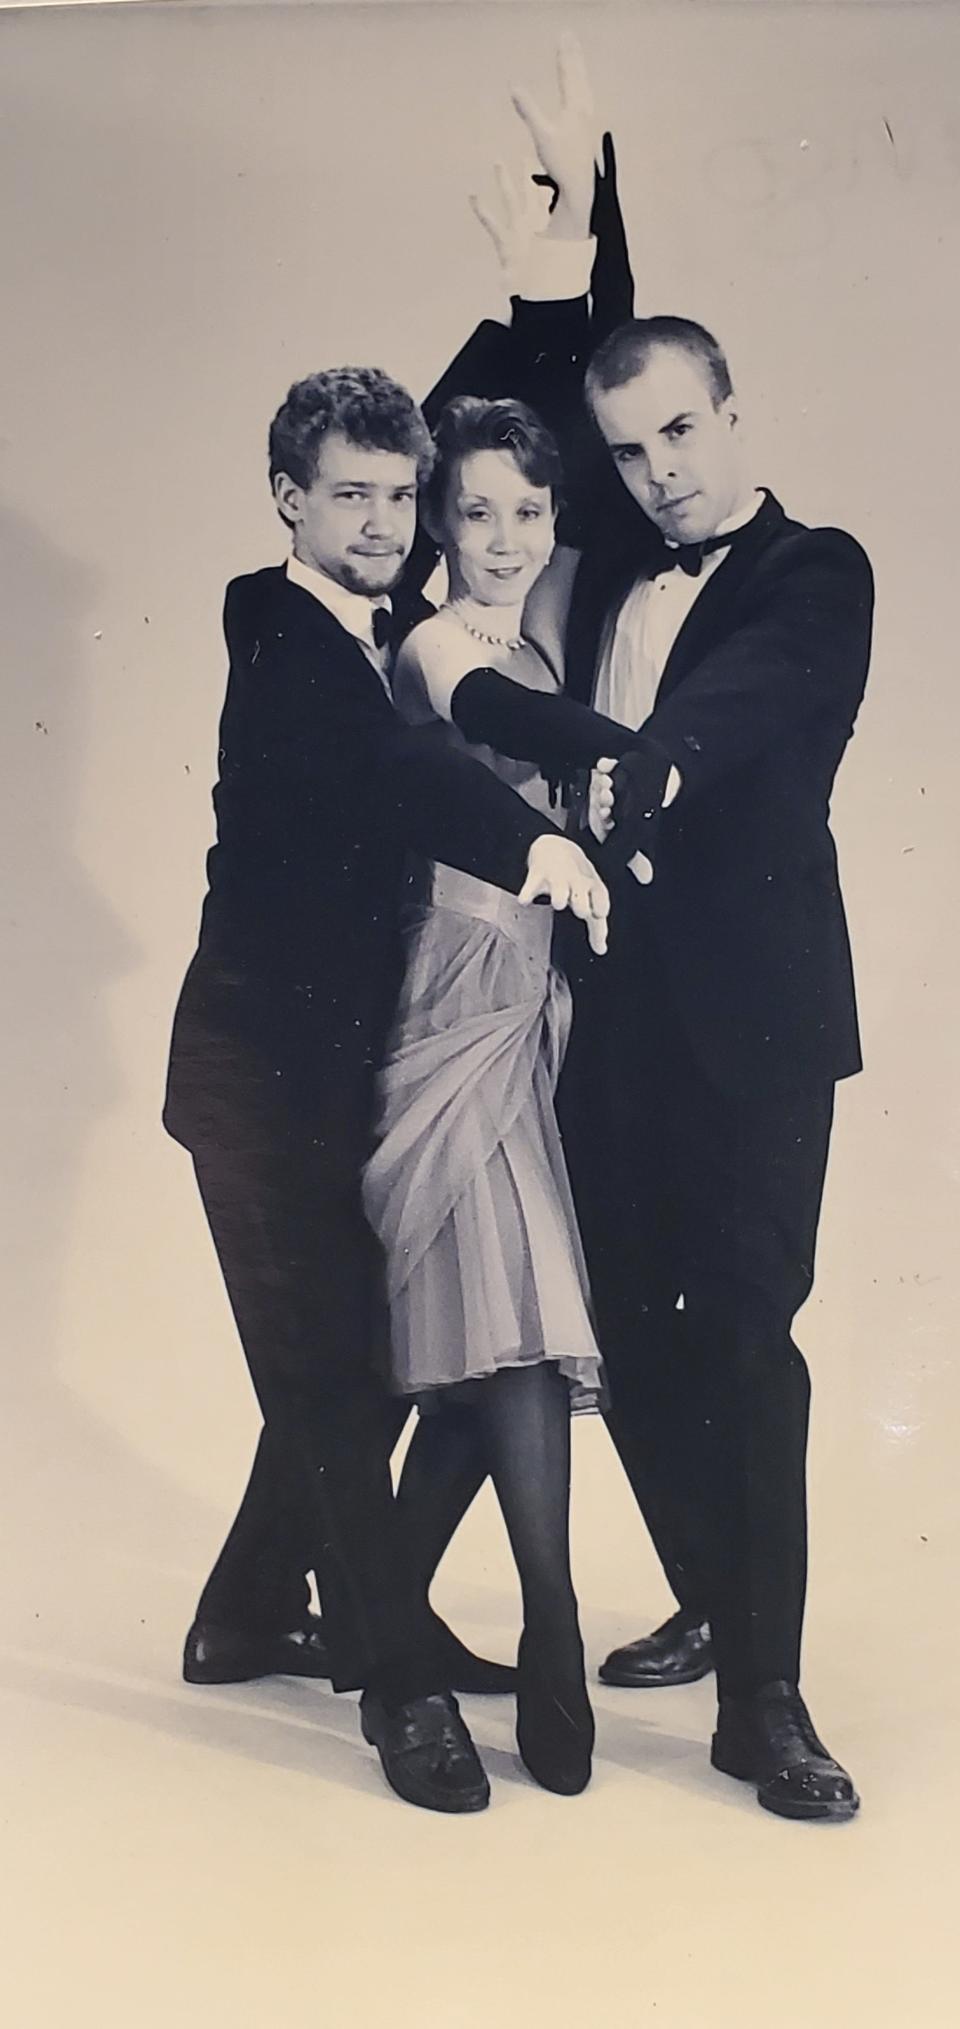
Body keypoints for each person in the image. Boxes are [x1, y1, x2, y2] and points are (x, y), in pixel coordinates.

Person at [440, 77, 874, 1822]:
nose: (651, 470)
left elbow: (751, 713)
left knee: (751, 1339)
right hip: (606, 1021)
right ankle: (707, 1583)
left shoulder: (813, 572)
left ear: (731, 416)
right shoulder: (614, 554)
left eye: (678, 434)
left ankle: (767, 1697)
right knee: (618, 1326)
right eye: (628, 452)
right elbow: (529, 421)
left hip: (759, 1028)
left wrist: (627, 765)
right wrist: (559, 269)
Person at [162, 360, 610, 1817]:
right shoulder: (294, 639)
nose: (378, 517)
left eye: (394, 494)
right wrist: (526, 837)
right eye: (344, 493)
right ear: (287, 503)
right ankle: (396, 1685)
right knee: (341, 1381)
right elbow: (403, 759)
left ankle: (245, 1611)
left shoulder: (375, 617)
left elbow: (484, 442)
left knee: (348, 1354)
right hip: (255, 1073)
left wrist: (545, 278)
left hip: (336, 1058)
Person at [362, 394, 602, 1796]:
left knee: (483, 1335)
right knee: (513, 1323)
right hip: (449, 995)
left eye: (529, 510)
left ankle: (382, 1612)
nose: (504, 538)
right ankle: (554, 1622)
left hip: (527, 1004)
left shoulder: (535, 628)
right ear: (435, 526)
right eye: (475, 512)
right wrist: (624, 749)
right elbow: (500, 715)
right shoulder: (440, 643)